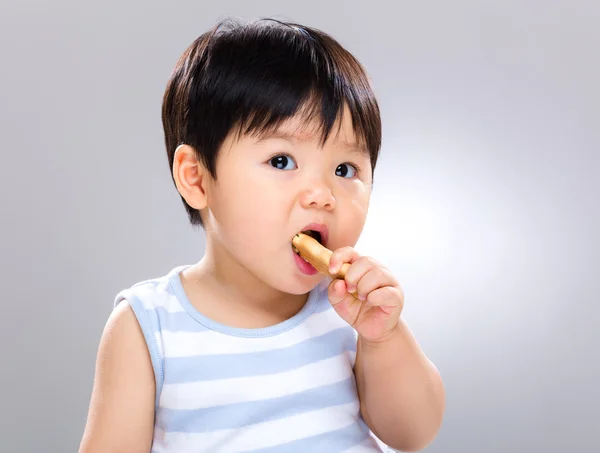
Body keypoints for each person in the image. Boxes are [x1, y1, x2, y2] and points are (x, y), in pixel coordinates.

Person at [78, 17, 445, 453]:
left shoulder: (348, 309)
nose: (323, 195)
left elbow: (413, 435)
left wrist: (384, 338)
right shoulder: (149, 327)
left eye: (345, 170)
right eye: (282, 161)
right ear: (196, 178)